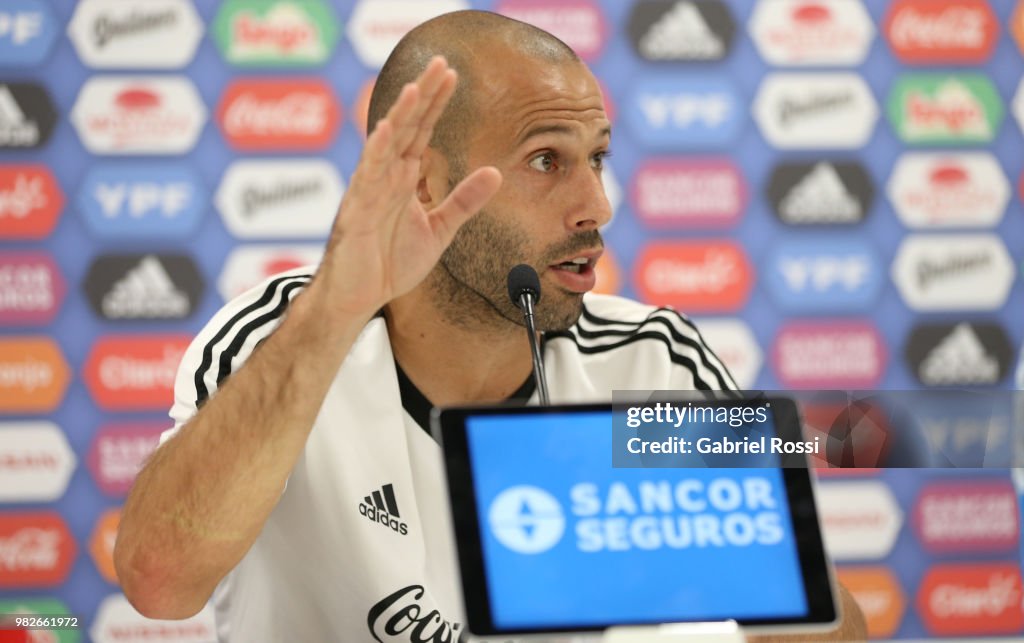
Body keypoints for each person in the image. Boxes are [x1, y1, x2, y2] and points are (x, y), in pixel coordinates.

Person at [114, 10, 865, 642]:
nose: (595, 205)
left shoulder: (650, 361)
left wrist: (744, 548)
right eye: (546, 160)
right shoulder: (276, 338)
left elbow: (828, 631)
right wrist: (335, 310)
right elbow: (159, 583)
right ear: (426, 182)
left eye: (597, 158)